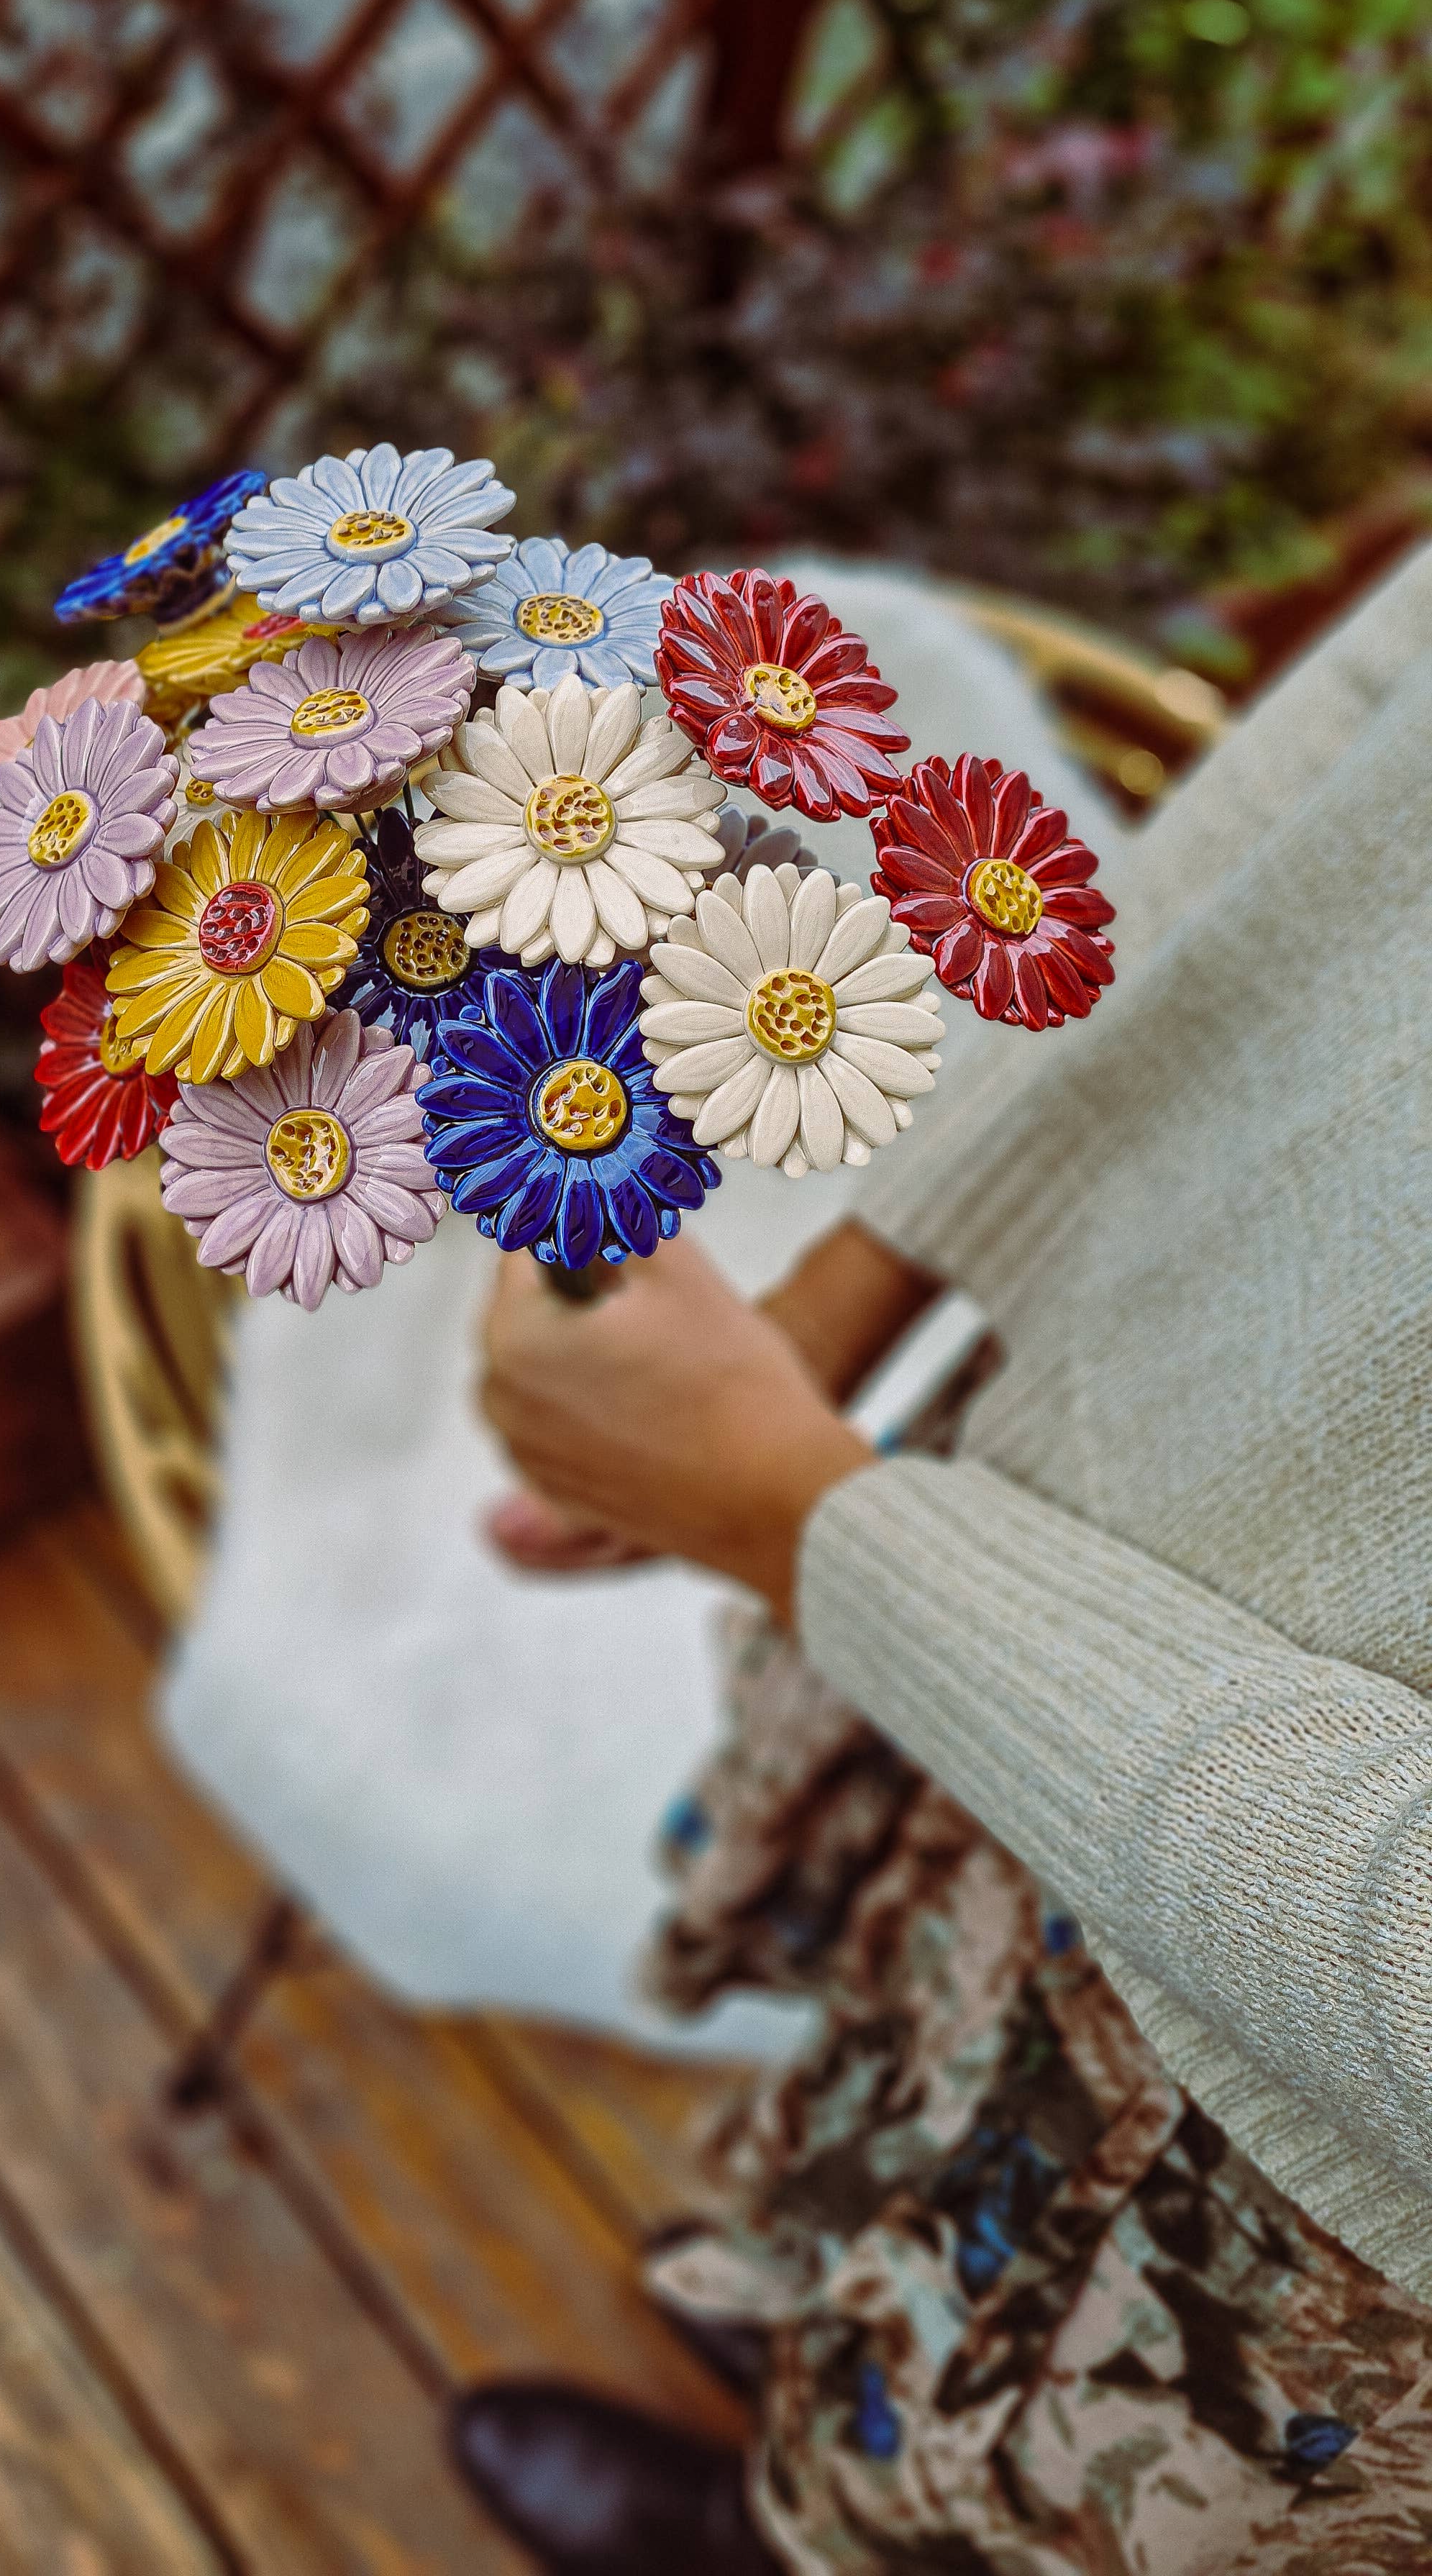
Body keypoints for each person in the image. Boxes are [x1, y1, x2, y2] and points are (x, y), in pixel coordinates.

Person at [450, 548, 1432, 2572]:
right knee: (906, 2167)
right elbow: (1372, 741)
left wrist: (796, 1520)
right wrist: (850, 1300)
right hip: (1031, 1544)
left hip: (1321, 2151)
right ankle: (824, 2370)